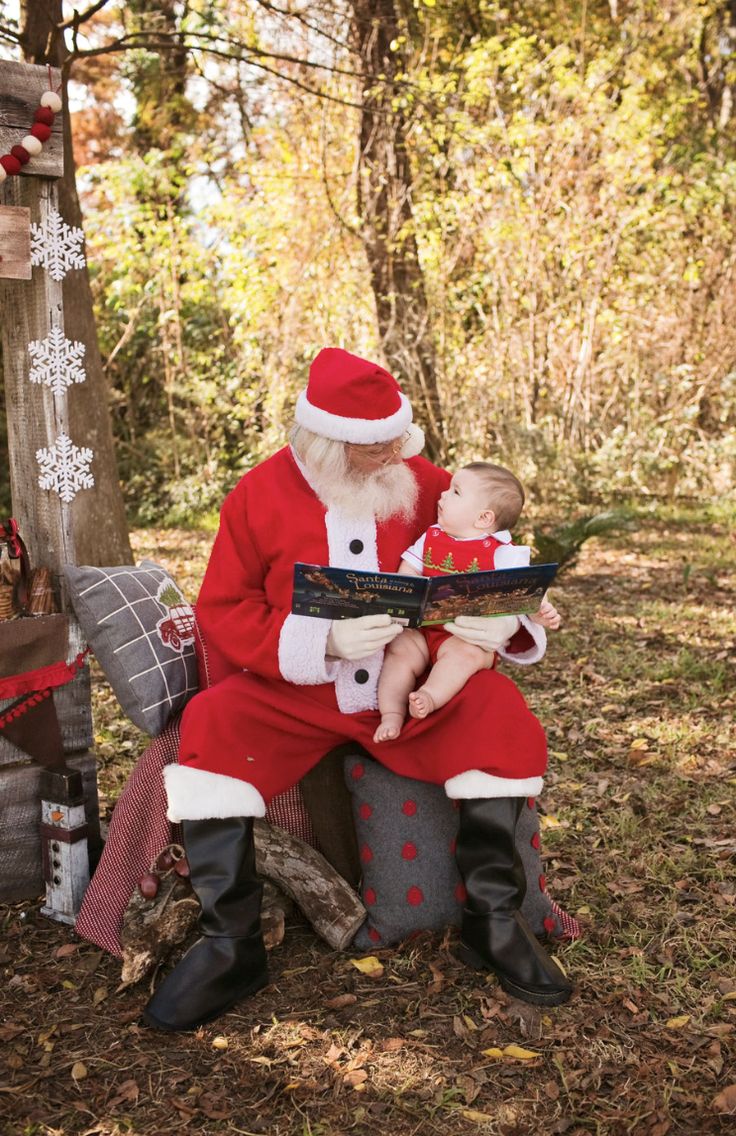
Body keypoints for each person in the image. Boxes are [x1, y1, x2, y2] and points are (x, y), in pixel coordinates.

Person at [142, 347, 572, 1032]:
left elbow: (488, 554)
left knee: (497, 711)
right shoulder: (256, 496)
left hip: (419, 679)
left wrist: (496, 615)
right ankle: (231, 945)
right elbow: (223, 609)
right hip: (301, 692)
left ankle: (491, 922)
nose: (392, 457)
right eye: (374, 449)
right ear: (324, 441)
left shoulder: (430, 482)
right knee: (215, 721)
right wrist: (324, 643)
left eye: (396, 441)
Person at [374, 462, 560, 742]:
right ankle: (391, 713)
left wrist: (539, 612)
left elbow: (526, 590)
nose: (443, 496)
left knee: (465, 657)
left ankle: (429, 696)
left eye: (455, 492)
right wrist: (404, 595)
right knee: (400, 651)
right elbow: (410, 568)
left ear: (484, 518)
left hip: (466, 636)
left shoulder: (503, 554)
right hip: (425, 629)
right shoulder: (432, 536)